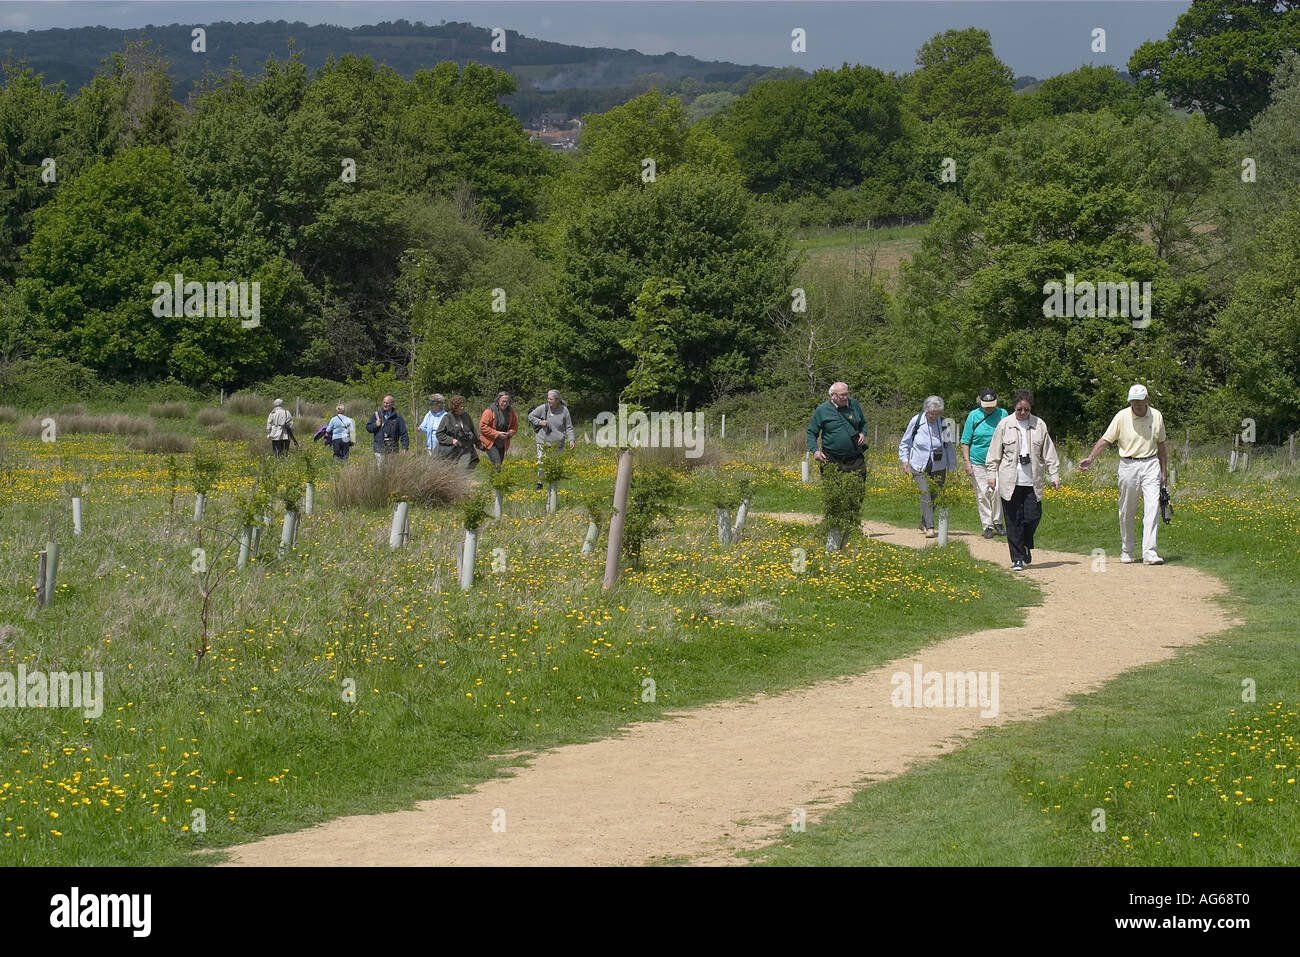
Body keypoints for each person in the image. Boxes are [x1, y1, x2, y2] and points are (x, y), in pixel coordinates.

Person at [1079, 384, 1168, 565]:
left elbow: (1161, 445)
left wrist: (1164, 472)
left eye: (1139, 401)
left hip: (1151, 463)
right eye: (1133, 401)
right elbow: (1105, 439)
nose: (1136, 405)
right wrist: (1090, 458)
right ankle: (1127, 549)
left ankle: (1150, 552)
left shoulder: (1156, 415)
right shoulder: (1121, 416)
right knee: (1127, 510)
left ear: (1147, 400)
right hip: (1128, 465)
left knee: (1152, 507)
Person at [985, 389, 1060, 570]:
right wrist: (991, 476)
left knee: (1033, 517)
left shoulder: (1039, 425)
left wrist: (1054, 474)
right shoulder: (1004, 425)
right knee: (1013, 520)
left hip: (1032, 481)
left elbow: (1049, 452)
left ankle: (1026, 543)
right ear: (1014, 407)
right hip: (1010, 481)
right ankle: (1017, 558)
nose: (1023, 413)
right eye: (1020, 409)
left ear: (1030, 408)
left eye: (1026, 410)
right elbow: (994, 453)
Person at [807, 380, 870, 517]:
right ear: (833, 395)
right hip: (831, 457)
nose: (845, 397)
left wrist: (862, 433)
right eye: (841, 395)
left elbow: (863, 423)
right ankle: (833, 522)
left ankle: (852, 520)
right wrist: (815, 451)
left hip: (855, 456)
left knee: (858, 489)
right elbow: (811, 433)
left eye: (846, 394)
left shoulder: (854, 405)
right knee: (833, 491)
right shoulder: (822, 410)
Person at [898, 396, 956, 538]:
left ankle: (923, 522)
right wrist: (905, 460)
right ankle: (930, 527)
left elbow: (949, 447)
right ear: (926, 411)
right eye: (932, 414)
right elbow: (905, 442)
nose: (934, 416)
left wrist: (952, 467)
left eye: (937, 414)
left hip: (939, 464)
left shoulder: (945, 423)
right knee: (925, 493)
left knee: (935, 495)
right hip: (919, 464)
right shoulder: (916, 421)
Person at [961, 387, 1009, 538]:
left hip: (997, 461)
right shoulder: (973, 416)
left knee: (997, 491)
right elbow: (965, 441)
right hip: (978, 461)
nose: (989, 408)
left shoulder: (1003, 414)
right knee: (982, 494)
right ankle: (987, 525)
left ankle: (998, 521)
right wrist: (967, 462)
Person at [528, 389, 576, 490]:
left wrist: (571, 439)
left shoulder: (564, 410)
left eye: (551, 399)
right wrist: (540, 422)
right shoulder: (543, 408)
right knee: (541, 462)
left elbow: (569, 427)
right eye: (548, 398)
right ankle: (540, 483)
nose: (548, 401)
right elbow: (531, 416)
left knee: (555, 465)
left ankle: (552, 486)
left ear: (557, 400)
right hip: (543, 440)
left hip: (558, 442)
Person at [437, 395, 480, 470]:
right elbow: (439, 434)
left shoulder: (466, 416)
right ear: (455, 407)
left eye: (464, 406)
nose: (463, 408)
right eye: (461, 406)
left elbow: (473, 430)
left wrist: (479, 444)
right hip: (454, 451)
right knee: (457, 471)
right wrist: (451, 440)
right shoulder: (447, 418)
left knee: (469, 468)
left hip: (467, 449)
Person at [479, 391, 518, 467]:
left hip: (503, 441)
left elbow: (514, 426)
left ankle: (495, 478)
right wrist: (497, 434)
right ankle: (497, 478)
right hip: (490, 441)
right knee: (497, 462)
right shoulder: (489, 411)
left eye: (507, 401)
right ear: (498, 400)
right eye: (503, 401)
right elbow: (482, 426)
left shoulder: (511, 411)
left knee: (499, 464)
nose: (505, 403)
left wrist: (509, 434)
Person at [366, 394, 409, 463]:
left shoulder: (398, 417)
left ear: (392, 404)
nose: (385, 405)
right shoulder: (377, 415)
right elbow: (368, 428)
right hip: (379, 448)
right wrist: (375, 425)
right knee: (381, 470)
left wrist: (404, 447)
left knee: (391, 470)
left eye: (387, 403)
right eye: (384, 402)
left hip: (393, 449)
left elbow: (404, 433)